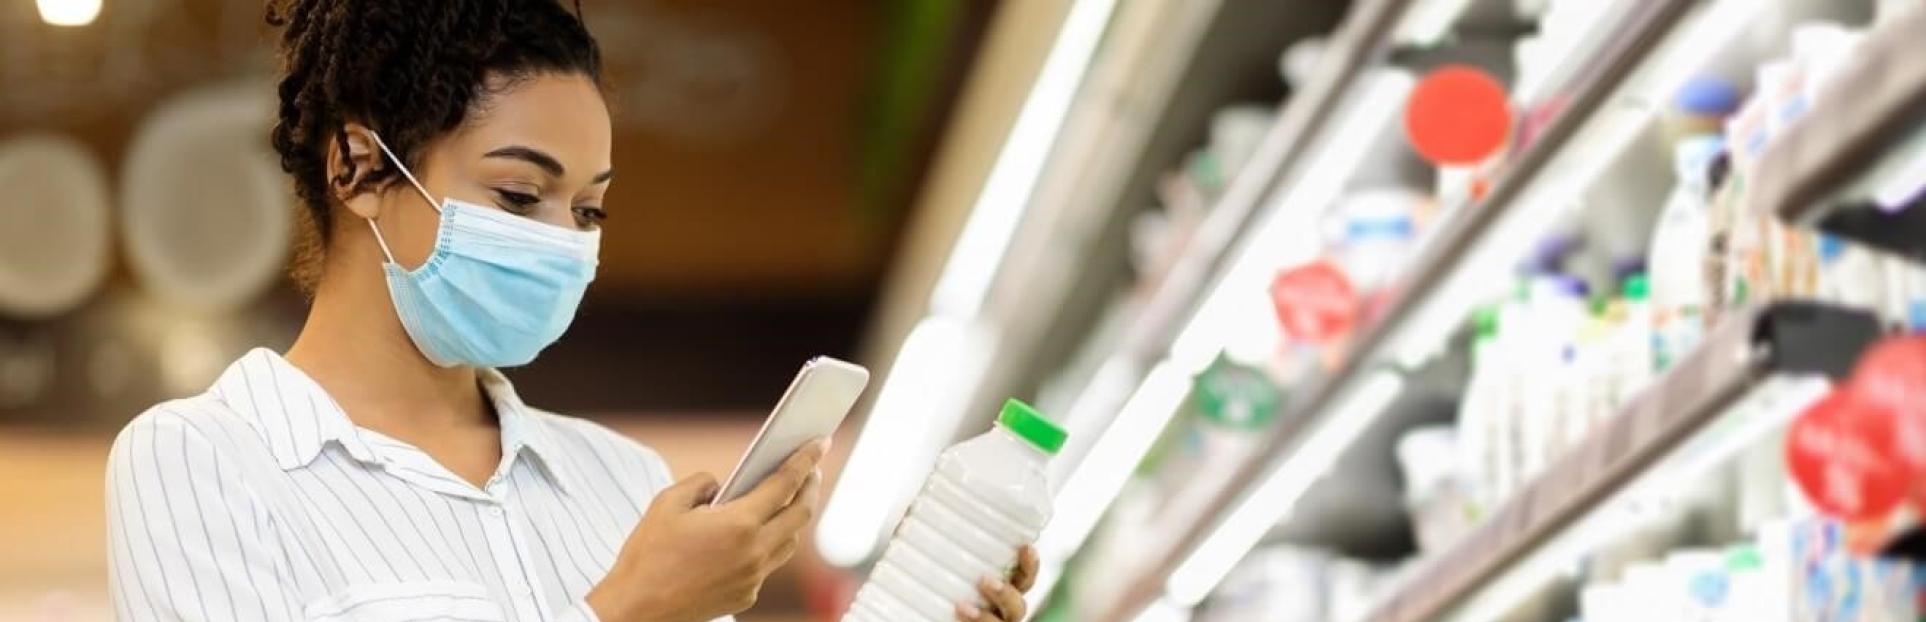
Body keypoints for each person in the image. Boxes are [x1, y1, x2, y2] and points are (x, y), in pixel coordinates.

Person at [103, 1, 1038, 620]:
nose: (565, 241)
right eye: (519, 198)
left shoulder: (621, 479)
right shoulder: (201, 461)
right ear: (356, 167)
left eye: (589, 209)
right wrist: (626, 609)